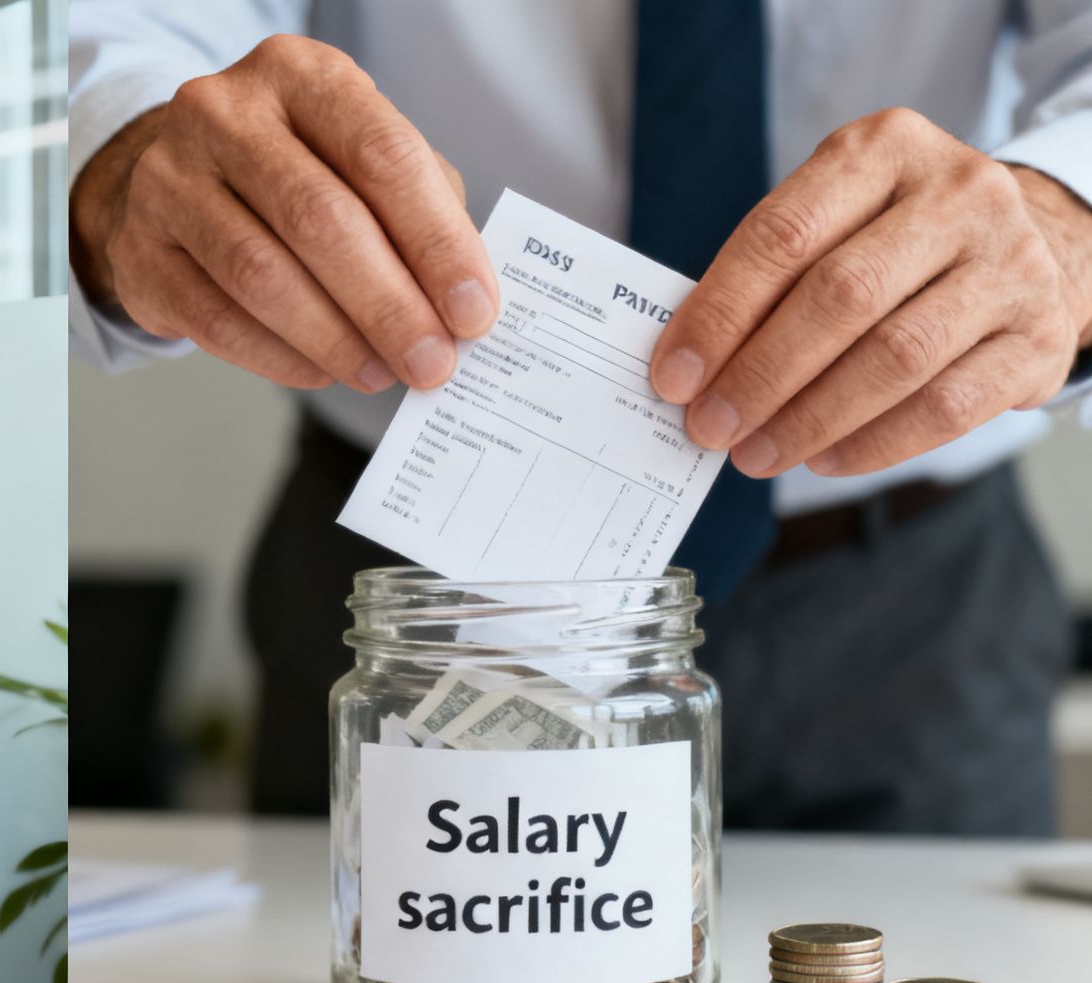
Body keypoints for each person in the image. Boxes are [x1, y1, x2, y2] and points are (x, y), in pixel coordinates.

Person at [68, 2, 1092, 831]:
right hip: (419, 595)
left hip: (905, 613)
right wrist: (122, 156)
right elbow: (110, 32)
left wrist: (1063, 226)